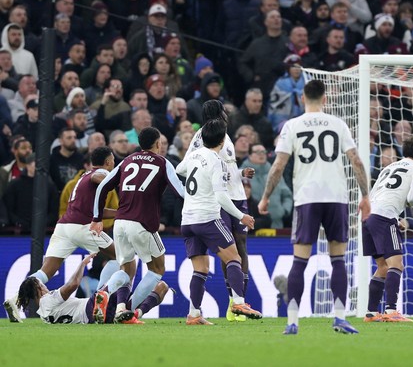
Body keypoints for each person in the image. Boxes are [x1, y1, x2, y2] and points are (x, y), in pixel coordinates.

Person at [257, 79, 370, 335]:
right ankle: (340, 317)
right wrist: (365, 195)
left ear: (301, 99)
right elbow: (357, 161)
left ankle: (293, 321)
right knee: (338, 259)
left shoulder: (292, 125)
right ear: (326, 99)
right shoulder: (338, 124)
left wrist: (265, 197)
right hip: (337, 197)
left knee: (300, 260)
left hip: (307, 198)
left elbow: (278, 166)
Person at [3, 147, 120, 323]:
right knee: (122, 257)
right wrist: (117, 181)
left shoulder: (83, 177)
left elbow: (98, 210)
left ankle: (14, 300)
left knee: (45, 272)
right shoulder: (101, 173)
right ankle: (101, 297)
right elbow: (100, 178)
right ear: (109, 161)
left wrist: (122, 212)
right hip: (83, 226)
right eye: (113, 161)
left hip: (64, 227)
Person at [92, 127, 185, 324]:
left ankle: (107, 295)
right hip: (142, 223)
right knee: (157, 268)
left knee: (127, 269)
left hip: (120, 222)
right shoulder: (163, 162)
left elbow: (102, 186)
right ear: (158, 144)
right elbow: (181, 192)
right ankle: (130, 310)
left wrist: (96, 217)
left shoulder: (127, 160)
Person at [176, 119, 261, 325]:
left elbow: (179, 170)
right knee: (234, 259)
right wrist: (242, 216)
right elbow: (222, 197)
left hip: (187, 219)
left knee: (201, 268)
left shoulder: (194, 155)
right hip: (207, 218)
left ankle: (194, 314)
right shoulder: (216, 161)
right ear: (223, 141)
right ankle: (239, 302)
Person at [362, 136, 413, 323]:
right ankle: (391, 310)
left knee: (382, 266)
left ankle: (371, 313)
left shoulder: (388, 167)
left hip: (368, 217)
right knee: (396, 265)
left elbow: (375, 193)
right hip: (384, 216)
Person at [14, 254, 169, 325]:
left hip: (100, 314)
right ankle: (110, 299)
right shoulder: (48, 300)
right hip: (91, 308)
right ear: (38, 287)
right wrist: (83, 263)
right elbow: (73, 284)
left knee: (162, 288)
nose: (45, 285)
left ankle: (131, 314)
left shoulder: (43, 315)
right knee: (124, 272)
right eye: (42, 284)